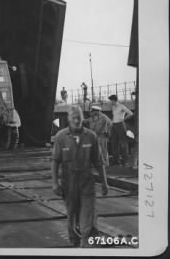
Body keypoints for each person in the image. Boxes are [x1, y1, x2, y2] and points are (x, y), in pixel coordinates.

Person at [51, 105, 108, 247]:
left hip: (86, 183)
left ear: (82, 118)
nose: (76, 121)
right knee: (72, 216)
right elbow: (55, 161)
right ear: (69, 119)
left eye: (79, 118)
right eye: (74, 118)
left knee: (87, 216)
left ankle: (86, 245)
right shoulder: (61, 137)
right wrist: (55, 183)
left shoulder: (91, 136)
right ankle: (74, 242)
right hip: (68, 184)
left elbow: (99, 162)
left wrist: (104, 182)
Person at [108, 94, 133, 166]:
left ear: (113, 100)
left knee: (123, 143)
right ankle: (116, 161)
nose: (110, 102)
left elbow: (130, 113)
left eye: (111, 100)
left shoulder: (121, 106)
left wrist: (124, 119)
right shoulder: (113, 107)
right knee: (114, 143)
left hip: (120, 125)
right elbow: (115, 116)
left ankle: (125, 161)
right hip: (114, 125)